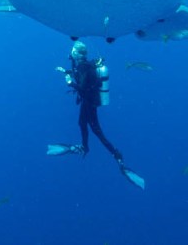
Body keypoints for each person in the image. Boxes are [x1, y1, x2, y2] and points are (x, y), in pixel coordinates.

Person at [47, 41, 145, 189]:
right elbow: (81, 76)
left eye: (73, 50)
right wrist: (66, 72)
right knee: (83, 124)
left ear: (77, 53)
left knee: (96, 131)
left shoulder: (83, 66)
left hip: (89, 101)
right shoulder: (84, 65)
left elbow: (82, 87)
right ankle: (85, 147)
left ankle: (117, 158)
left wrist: (68, 82)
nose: (71, 52)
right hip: (90, 101)